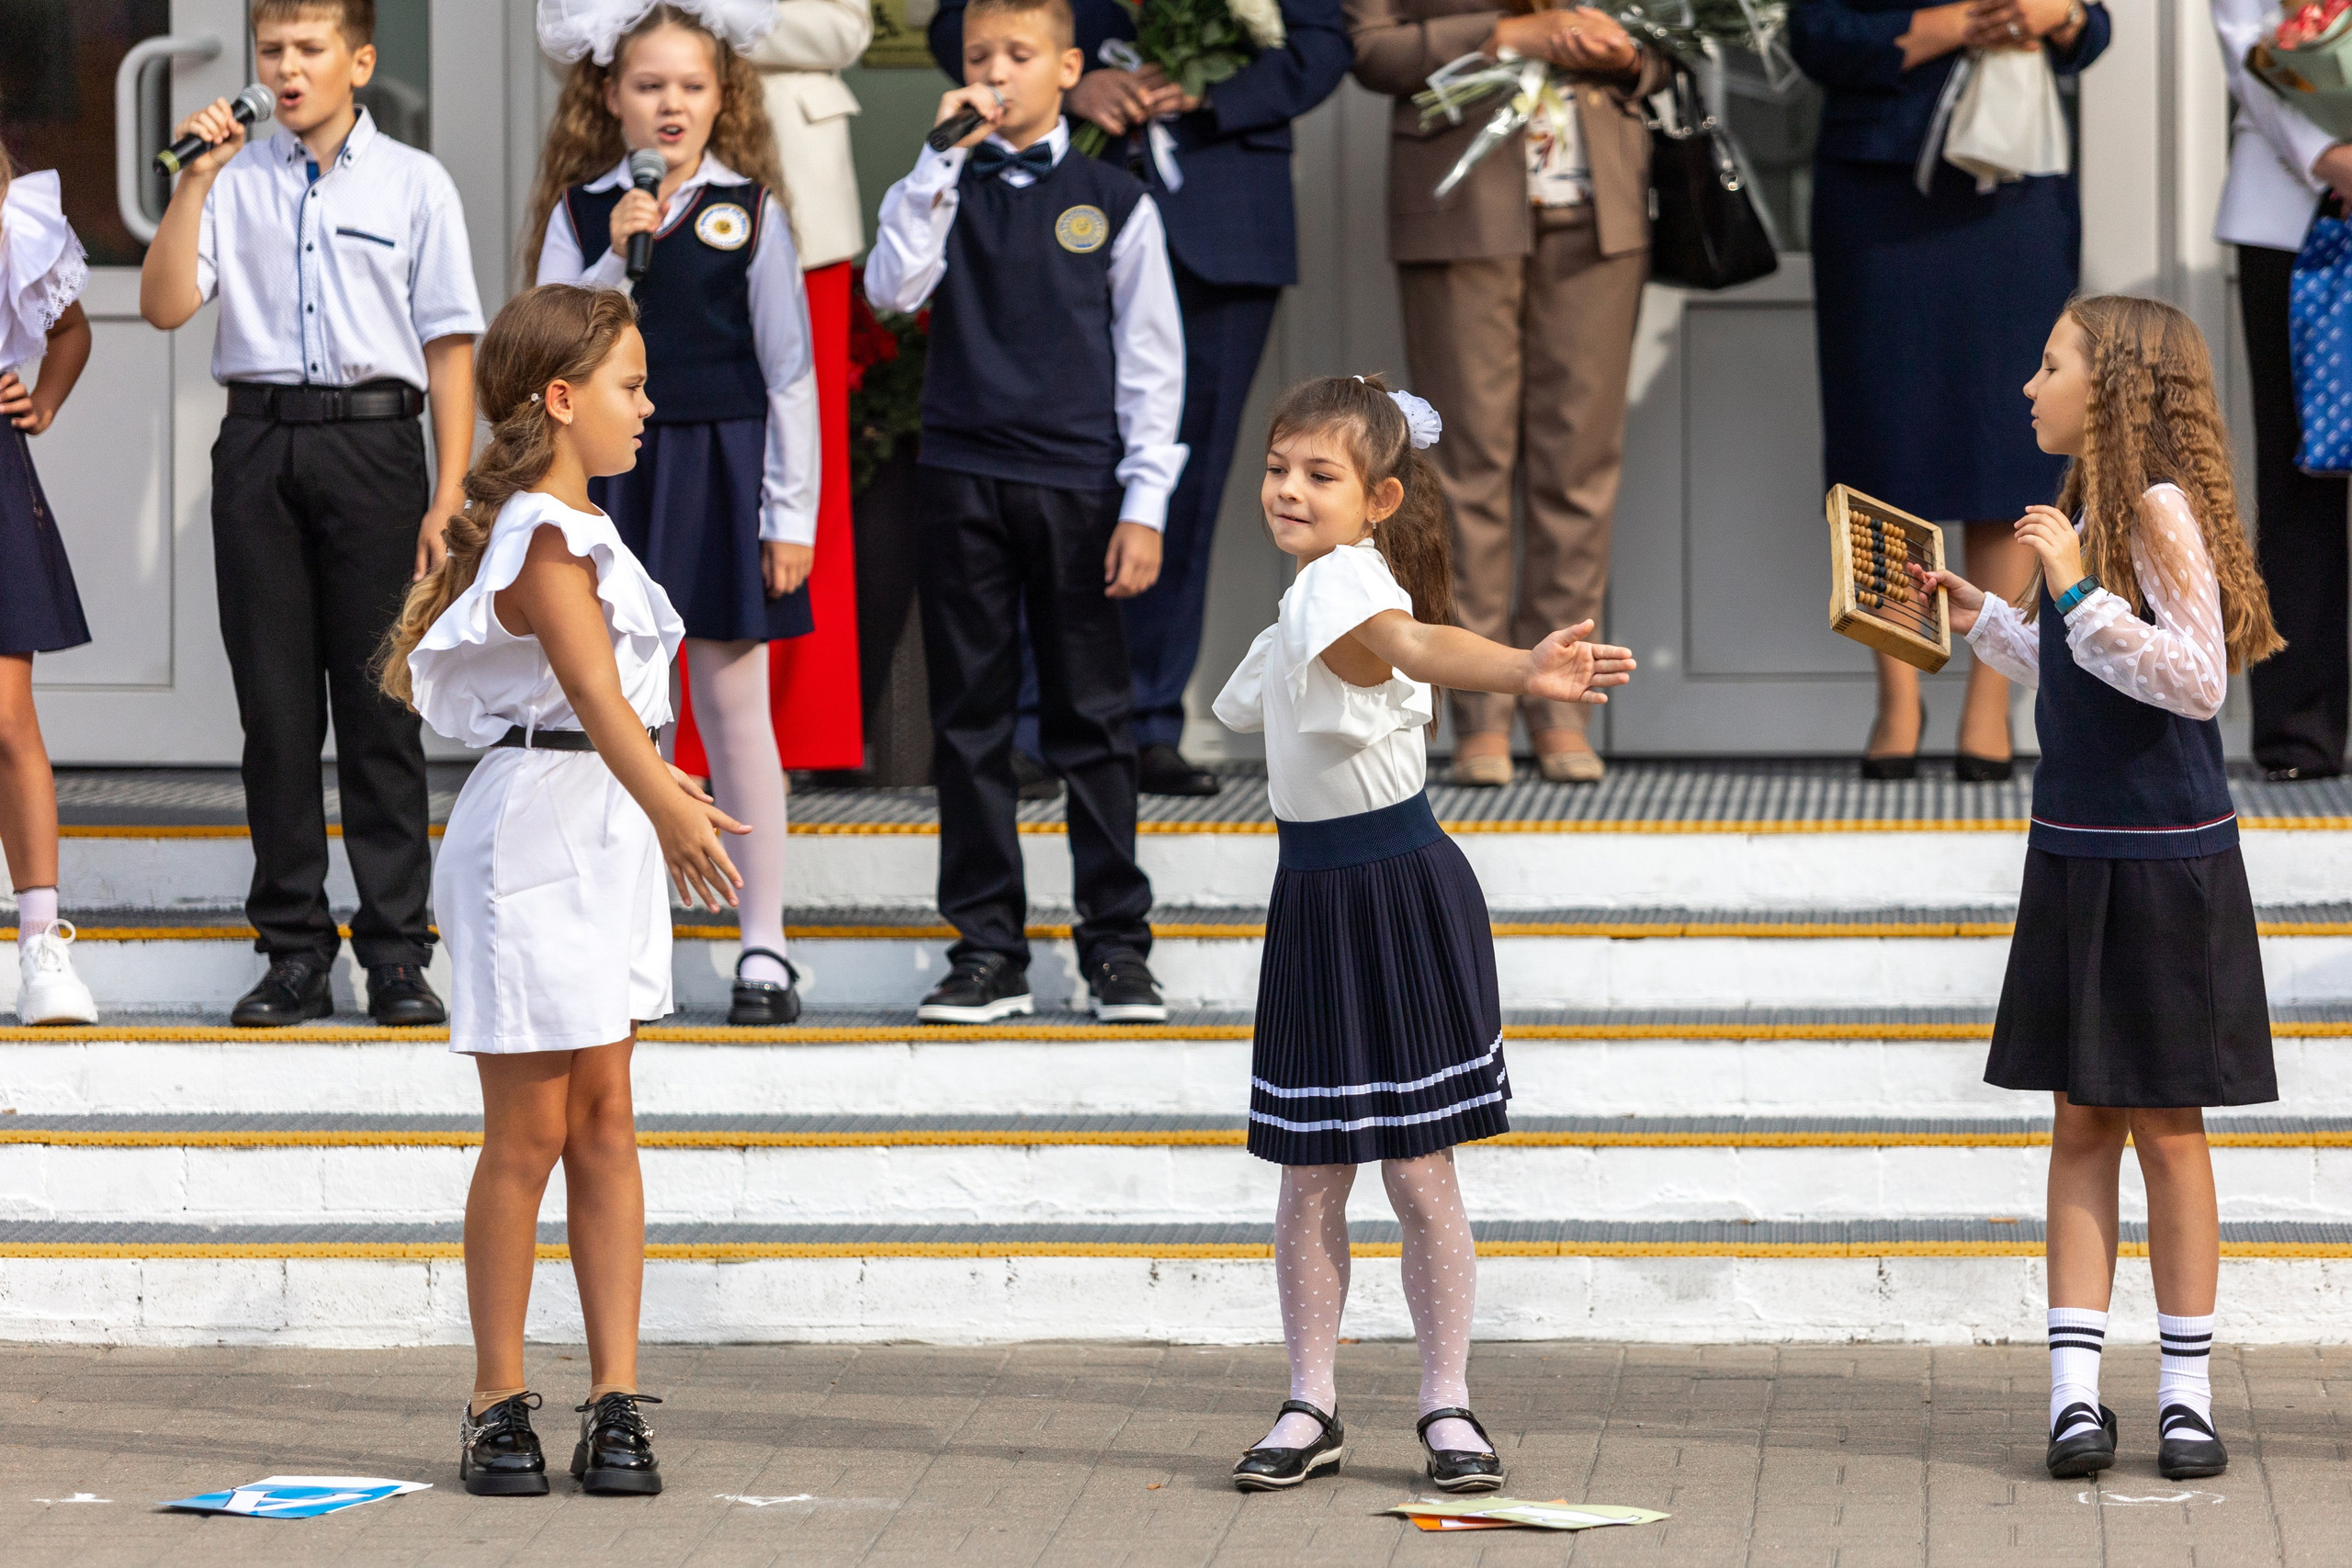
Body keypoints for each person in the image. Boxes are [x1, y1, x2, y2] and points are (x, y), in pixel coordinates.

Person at [1213, 375, 1634, 1492]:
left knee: (1413, 1167)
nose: (1288, 490)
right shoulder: (1318, 588)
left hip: (1394, 891)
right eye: (1276, 468)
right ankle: (1314, 1403)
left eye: (1320, 475)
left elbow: (1418, 642)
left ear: (1379, 497)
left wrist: (1519, 669)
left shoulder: (1346, 585)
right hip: (1317, 897)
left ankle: (1444, 1403)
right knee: (1315, 1170)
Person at [1911, 296, 2281, 1483]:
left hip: (2168, 859)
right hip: (2074, 849)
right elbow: (2083, 663)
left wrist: (2072, 591)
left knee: (2169, 1126)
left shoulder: (2156, 510)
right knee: (2079, 1119)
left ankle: (2184, 1392)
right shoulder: (2077, 514)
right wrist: (1995, 621)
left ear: (2111, 387)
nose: (2031, 382)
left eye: (2053, 363)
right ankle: (2075, 1394)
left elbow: (2195, 679)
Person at [382, 284, 744, 1497]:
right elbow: (588, 696)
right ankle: (495, 1397)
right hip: (539, 837)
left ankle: (616, 1397)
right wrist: (670, 800)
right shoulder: (544, 536)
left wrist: (660, 788)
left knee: (607, 1121)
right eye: (630, 385)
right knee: (527, 1131)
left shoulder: (589, 529)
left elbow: (619, 715)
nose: (648, 406)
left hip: (602, 824)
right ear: (561, 397)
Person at [138, 0, 482, 1026]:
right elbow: (162, 305)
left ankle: (394, 951)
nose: (286, 70)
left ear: (359, 62)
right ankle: (293, 947)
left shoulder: (416, 183)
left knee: (381, 708)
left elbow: (450, 343)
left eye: (309, 50)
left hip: (377, 449)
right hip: (258, 446)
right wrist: (194, 178)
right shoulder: (231, 182)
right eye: (271, 51)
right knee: (277, 715)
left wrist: (449, 490)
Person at [929, 0, 1351, 796]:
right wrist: (1070, 86)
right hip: (1051, 211)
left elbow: (1325, 44)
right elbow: (953, 22)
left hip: (1222, 219)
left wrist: (1208, 91)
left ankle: (1145, 719)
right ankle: (1026, 722)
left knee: (1182, 487)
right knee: (1039, 472)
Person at [865, 0, 1187, 1025]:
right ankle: (987, 948)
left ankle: (1115, 948)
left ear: (1067, 67)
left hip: (1079, 485)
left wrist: (1144, 503)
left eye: (1017, 55)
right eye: (977, 57)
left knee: (1092, 718)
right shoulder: (943, 187)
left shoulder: (1113, 197)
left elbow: (1151, 366)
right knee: (969, 721)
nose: (995, 72)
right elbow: (890, 288)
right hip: (961, 475)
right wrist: (934, 164)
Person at [529, 0, 820, 1025]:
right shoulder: (582, 216)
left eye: (691, 87)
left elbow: (789, 372)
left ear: (721, 98)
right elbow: (545, 351)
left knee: (734, 709)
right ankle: (623, 937)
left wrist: (792, 515)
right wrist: (617, 253)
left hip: (722, 474)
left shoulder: (755, 211)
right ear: (609, 96)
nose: (670, 105)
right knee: (615, 710)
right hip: (614, 481)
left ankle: (763, 943)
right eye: (649, 85)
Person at [1346, 0, 1667, 787]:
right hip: (1459, 208)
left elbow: (1674, 51)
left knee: (1578, 469)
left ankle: (1564, 706)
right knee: (1464, 469)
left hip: (1599, 211)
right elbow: (1371, 52)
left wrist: (1628, 56)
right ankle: (1477, 710)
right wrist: (1501, 37)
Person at [1790, 0, 2109, 780]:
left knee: (2005, 445)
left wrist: (2057, 14)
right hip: (1880, 192)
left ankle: (1989, 706)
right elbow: (1818, 35)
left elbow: (2090, 33)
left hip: (2013, 190)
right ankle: (1899, 699)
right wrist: (1964, 23)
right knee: (1884, 447)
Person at [2215, 0, 2352, 780]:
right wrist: (2330, 155)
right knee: (2299, 475)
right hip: (2286, 210)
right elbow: (2248, 47)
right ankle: (2300, 732)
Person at [748, 0, 873, 776]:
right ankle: (671, 726)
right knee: (663, 451)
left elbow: (844, 29)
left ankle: (803, 733)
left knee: (807, 460)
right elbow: (568, 37)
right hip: (651, 176)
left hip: (800, 195)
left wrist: (715, 11)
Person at [0, 143, 97, 1025]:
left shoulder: (14, 221)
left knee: (5, 713)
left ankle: (40, 944)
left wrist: (45, 400)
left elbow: (70, 331)